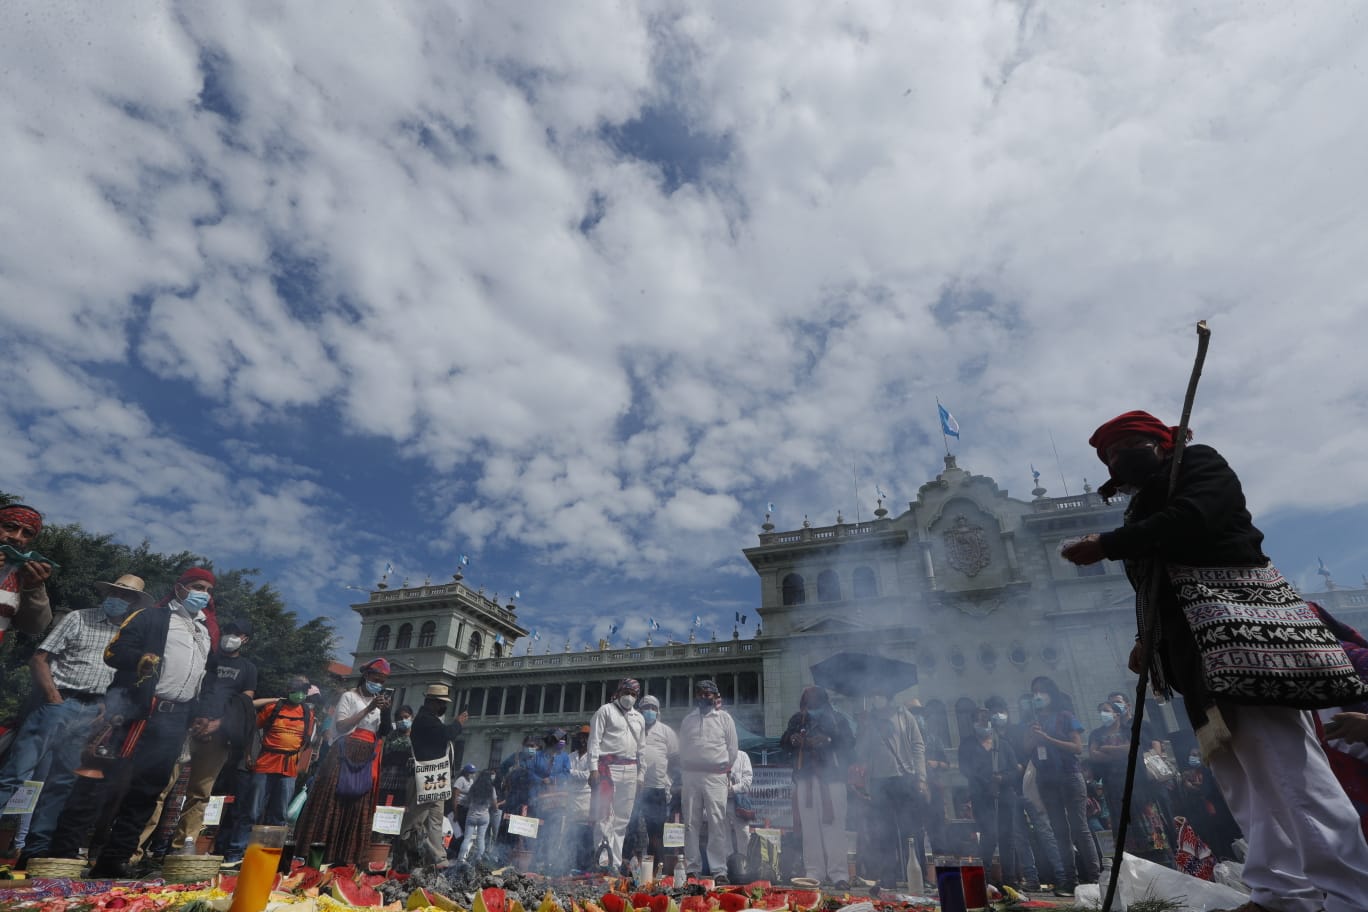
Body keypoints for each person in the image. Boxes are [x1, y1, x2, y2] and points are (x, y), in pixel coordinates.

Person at [1063, 410, 1368, 912]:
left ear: (1160, 443)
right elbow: (1158, 581)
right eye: (1110, 457)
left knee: (1293, 774)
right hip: (1198, 658)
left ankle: (1352, 895)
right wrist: (1149, 639)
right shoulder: (1139, 507)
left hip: (1250, 639)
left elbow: (1193, 520)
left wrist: (1107, 546)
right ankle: (1280, 894)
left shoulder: (1199, 465)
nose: (1118, 460)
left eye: (1125, 447)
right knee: (1242, 779)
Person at [48, 567, 216, 877]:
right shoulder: (151, 617)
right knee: (103, 779)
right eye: (197, 586)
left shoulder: (204, 632)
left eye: (207, 589)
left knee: (148, 791)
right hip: (138, 711)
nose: (203, 593)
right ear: (179, 588)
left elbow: (202, 679)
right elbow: (115, 652)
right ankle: (64, 853)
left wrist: (200, 712)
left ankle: (115, 859)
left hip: (175, 719)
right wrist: (141, 661)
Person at [0, 574, 151, 866]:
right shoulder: (79, 618)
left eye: (127, 597)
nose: (120, 600)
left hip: (93, 711)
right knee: (15, 774)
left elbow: (120, 678)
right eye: (117, 593)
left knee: (61, 783)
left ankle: (34, 854)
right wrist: (54, 697)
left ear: (134, 604)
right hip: (60, 703)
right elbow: (40, 658)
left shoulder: (128, 635)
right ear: (107, 593)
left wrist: (105, 708)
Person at [292, 658, 394, 867]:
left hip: (366, 756)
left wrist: (385, 712)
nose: (379, 684)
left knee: (357, 806)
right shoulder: (349, 697)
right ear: (366, 676)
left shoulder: (378, 704)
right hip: (344, 752)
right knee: (333, 802)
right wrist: (368, 709)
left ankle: (346, 856)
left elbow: (384, 732)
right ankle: (319, 853)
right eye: (376, 679)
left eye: (383, 681)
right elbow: (341, 724)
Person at [173, 618, 257, 850]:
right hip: (186, 728)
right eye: (228, 630)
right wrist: (195, 719)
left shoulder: (248, 669)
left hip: (219, 734)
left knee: (200, 792)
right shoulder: (205, 657)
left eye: (237, 633)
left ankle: (182, 846)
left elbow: (244, 705)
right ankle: (139, 847)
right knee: (163, 786)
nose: (230, 636)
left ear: (245, 640)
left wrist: (219, 723)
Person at [225, 676, 316, 860]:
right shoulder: (273, 708)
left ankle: (269, 855)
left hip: (288, 770)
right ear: (288, 688)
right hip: (265, 764)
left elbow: (305, 741)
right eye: (296, 688)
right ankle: (235, 853)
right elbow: (252, 730)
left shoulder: (308, 714)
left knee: (279, 815)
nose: (299, 693)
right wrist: (248, 754)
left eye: (303, 690)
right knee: (252, 811)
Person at [1023, 676, 1098, 896]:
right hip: (1046, 781)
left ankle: (1094, 879)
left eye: (1042, 691)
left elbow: (1077, 747)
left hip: (1069, 776)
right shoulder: (1033, 722)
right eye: (1034, 692)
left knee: (1080, 828)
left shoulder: (1065, 717)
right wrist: (1035, 738)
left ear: (1050, 694)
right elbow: (1027, 747)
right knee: (1059, 832)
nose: (1038, 696)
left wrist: (1048, 739)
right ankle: (1069, 881)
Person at [780, 686, 854, 887]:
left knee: (834, 826)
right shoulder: (798, 720)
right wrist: (792, 739)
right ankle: (814, 872)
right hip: (805, 779)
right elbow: (784, 742)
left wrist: (828, 740)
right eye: (806, 701)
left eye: (813, 701)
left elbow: (849, 744)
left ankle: (839, 874)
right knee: (810, 827)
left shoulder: (837, 719)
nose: (809, 704)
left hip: (832, 779)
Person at [986, 695, 1060, 892]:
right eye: (993, 712)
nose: (997, 715)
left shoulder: (1018, 731)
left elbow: (1028, 754)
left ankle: (1063, 875)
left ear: (1007, 713)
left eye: (1000, 711)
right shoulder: (990, 738)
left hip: (1029, 787)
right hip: (1008, 792)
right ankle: (1032, 879)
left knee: (1044, 831)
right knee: (1020, 838)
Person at [1087, 699, 1173, 866]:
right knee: (1124, 823)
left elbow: (1133, 748)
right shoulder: (1096, 734)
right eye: (1100, 711)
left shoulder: (1129, 730)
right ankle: (1134, 861)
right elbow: (1094, 755)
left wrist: (1108, 749)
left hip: (1138, 783)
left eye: (1106, 710)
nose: (1102, 714)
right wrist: (1119, 752)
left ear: (1117, 713)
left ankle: (1162, 860)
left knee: (1147, 820)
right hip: (1114, 787)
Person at [856, 686, 926, 890]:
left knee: (910, 830)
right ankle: (889, 877)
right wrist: (862, 728)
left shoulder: (905, 716)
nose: (874, 698)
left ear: (886, 696)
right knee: (883, 832)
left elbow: (918, 746)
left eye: (877, 694)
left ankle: (916, 875)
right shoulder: (870, 721)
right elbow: (861, 752)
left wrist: (921, 777)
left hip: (904, 779)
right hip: (879, 782)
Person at [677, 679, 738, 879]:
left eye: (708, 693)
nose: (704, 696)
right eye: (701, 693)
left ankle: (719, 870)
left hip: (715, 776)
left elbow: (732, 749)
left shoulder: (724, 719)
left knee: (717, 822)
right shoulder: (688, 720)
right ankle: (692, 868)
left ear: (714, 696)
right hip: (691, 776)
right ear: (696, 696)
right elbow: (683, 747)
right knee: (691, 823)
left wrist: (720, 767)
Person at [959, 706, 1019, 891]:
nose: (984, 723)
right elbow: (965, 769)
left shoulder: (1003, 744)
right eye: (980, 720)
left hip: (1005, 797)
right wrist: (986, 783)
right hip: (982, 797)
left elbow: (1014, 770)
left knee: (1007, 838)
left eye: (987, 719)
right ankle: (983, 879)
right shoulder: (967, 745)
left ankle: (1010, 881)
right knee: (989, 836)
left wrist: (1002, 779)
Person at [588, 678, 646, 871]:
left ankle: (615, 863)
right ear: (619, 692)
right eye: (626, 692)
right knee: (604, 816)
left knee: (622, 819)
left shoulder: (639, 717)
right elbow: (594, 742)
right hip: (608, 767)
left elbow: (642, 749)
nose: (629, 697)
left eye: (634, 694)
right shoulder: (605, 711)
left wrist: (641, 775)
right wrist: (593, 768)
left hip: (630, 769)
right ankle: (602, 861)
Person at [399, 685, 457, 868]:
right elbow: (446, 734)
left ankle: (437, 858)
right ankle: (403, 850)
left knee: (435, 817)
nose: (443, 706)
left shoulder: (431, 719)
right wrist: (458, 724)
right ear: (432, 702)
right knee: (417, 817)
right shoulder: (425, 719)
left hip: (437, 777)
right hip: (423, 775)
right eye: (441, 703)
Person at [625, 695, 678, 863]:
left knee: (656, 831)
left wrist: (669, 780)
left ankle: (657, 868)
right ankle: (626, 865)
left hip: (657, 788)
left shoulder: (666, 731)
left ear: (658, 712)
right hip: (633, 787)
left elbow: (675, 759)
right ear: (639, 711)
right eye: (646, 707)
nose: (649, 711)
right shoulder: (631, 729)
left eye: (653, 708)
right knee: (629, 828)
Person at [0, 503, 54, 651]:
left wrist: (33, 588)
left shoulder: (21, 575)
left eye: (27, 533)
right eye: (9, 527)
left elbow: (34, 627)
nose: (16, 537)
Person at [530, 727, 572, 871]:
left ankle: (549, 862)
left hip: (556, 801)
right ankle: (535, 861)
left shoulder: (564, 757)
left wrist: (553, 779)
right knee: (538, 832)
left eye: (563, 740)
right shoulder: (538, 756)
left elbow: (567, 775)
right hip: (538, 799)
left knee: (553, 832)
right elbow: (530, 773)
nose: (561, 742)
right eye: (558, 740)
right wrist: (541, 781)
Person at [457, 768, 498, 866]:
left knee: (467, 838)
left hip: (471, 815)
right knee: (481, 838)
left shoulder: (473, 787)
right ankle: (479, 858)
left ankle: (461, 858)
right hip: (484, 816)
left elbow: (467, 800)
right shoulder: (491, 789)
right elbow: (495, 805)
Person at [568, 726, 594, 870]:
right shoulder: (571, 756)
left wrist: (571, 772)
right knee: (572, 834)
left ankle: (584, 866)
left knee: (585, 834)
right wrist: (574, 773)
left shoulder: (592, 757)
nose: (583, 740)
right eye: (582, 737)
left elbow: (586, 776)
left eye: (587, 737)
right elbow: (565, 773)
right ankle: (571, 864)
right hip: (572, 799)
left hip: (586, 799)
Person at [379, 706, 416, 807]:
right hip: (388, 780)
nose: (403, 720)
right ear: (395, 720)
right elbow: (386, 756)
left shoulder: (416, 737)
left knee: (401, 809)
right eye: (400, 718)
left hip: (406, 782)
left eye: (406, 717)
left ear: (412, 717)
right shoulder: (391, 735)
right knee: (385, 808)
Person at [726, 748, 754, 863]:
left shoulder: (742, 756)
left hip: (739, 802)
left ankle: (745, 864)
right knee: (722, 836)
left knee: (743, 834)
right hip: (720, 801)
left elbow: (747, 781)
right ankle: (726, 867)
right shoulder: (716, 756)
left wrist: (732, 789)